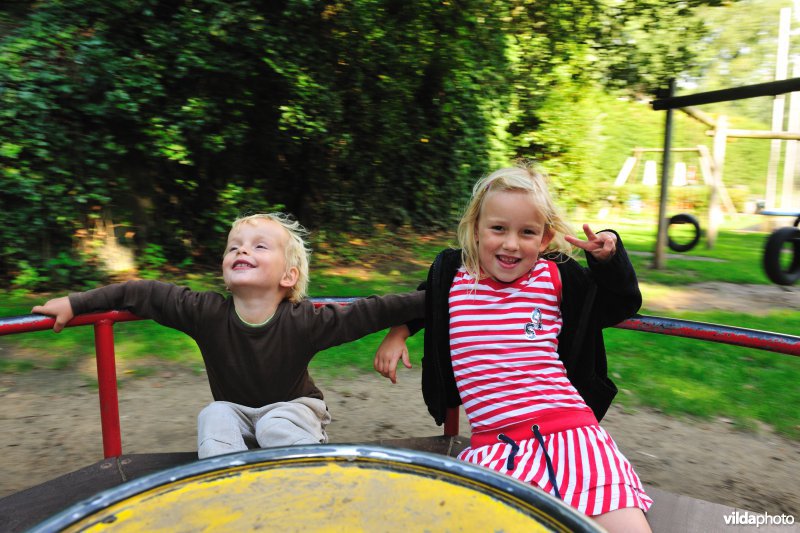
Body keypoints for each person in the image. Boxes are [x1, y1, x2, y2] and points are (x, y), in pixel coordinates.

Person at [374, 163, 653, 532]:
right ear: (476, 228)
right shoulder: (454, 277)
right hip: (494, 447)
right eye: (498, 229)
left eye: (527, 232)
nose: (511, 244)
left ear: (544, 238)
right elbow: (426, 302)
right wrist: (398, 332)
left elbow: (620, 304)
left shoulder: (555, 275)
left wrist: (608, 261)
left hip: (570, 432)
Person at [33, 212, 424, 459]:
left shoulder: (305, 321)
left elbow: (377, 309)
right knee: (214, 414)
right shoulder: (206, 313)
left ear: (288, 277)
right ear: (225, 270)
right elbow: (142, 293)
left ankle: (307, 481)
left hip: (295, 411)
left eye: (259, 246)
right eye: (233, 247)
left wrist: (419, 312)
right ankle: (227, 489)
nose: (241, 251)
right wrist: (75, 303)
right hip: (239, 415)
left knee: (274, 424)